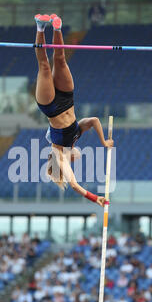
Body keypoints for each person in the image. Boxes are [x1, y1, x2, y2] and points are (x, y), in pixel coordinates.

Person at [34, 14, 114, 207]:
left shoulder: (59, 156)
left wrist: (96, 199)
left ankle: (42, 27)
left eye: (74, 162)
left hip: (50, 106)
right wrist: (104, 142)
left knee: (45, 66)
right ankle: (55, 28)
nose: (77, 159)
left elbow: (75, 185)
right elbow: (94, 120)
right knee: (60, 60)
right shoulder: (76, 133)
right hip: (67, 98)